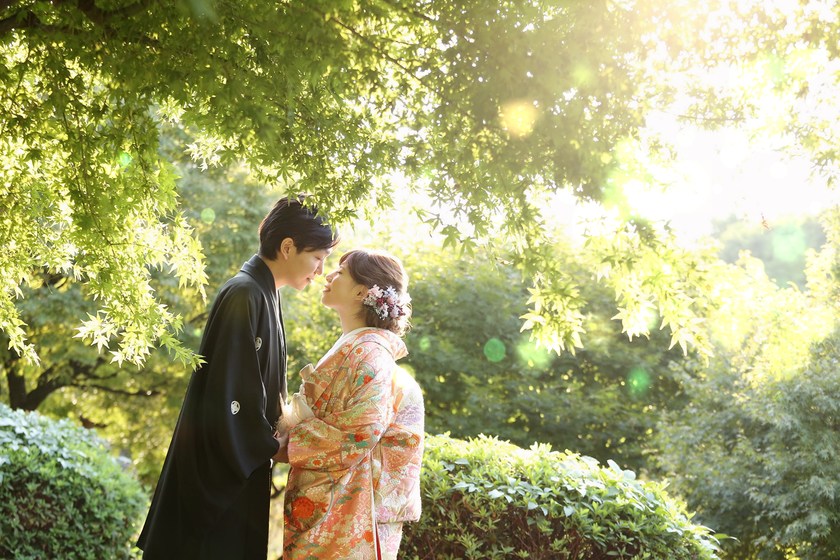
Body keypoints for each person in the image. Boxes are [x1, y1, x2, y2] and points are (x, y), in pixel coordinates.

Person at [137, 196, 339, 560]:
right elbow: (229, 396)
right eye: (317, 257)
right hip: (216, 474)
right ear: (288, 247)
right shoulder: (245, 293)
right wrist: (275, 446)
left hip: (238, 467)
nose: (321, 270)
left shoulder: (264, 293)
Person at [277, 249, 424, 560]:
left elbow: (362, 430)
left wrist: (289, 445)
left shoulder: (370, 353)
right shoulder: (360, 347)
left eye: (340, 272)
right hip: (343, 501)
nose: (327, 274)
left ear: (361, 292)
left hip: (356, 509)